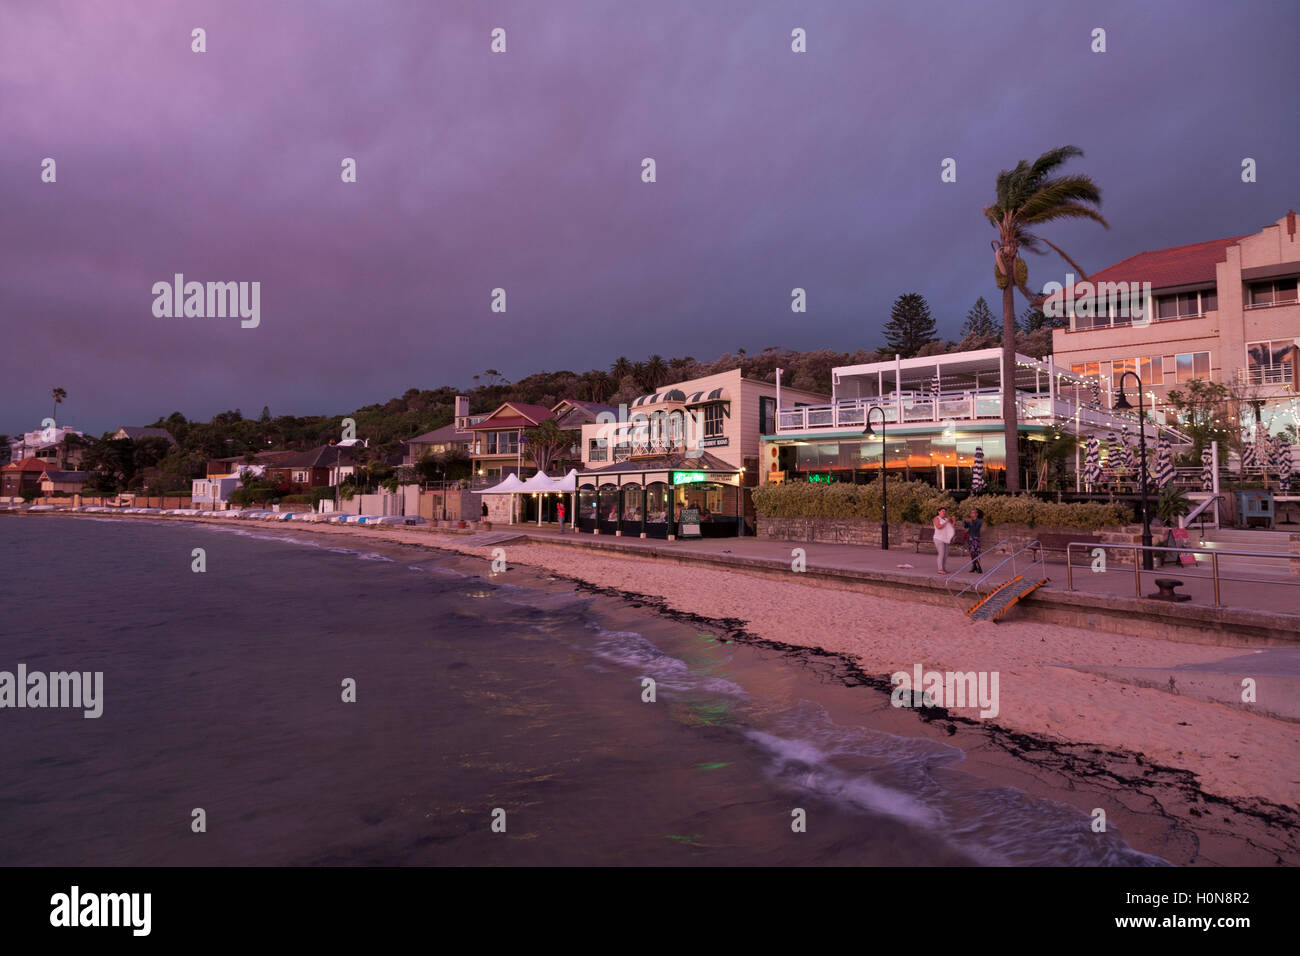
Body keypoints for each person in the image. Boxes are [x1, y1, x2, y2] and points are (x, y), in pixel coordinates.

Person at [933, 507, 956, 573]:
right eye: (943, 511)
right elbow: (939, 527)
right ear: (939, 512)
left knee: (945, 555)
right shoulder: (936, 518)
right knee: (941, 554)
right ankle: (940, 569)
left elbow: (951, 527)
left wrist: (954, 521)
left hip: (945, 539)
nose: (944, 512)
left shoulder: (946, 519)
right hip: (938, 538)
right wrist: (946, 522)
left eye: (945, 511)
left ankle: (943, 569)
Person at [963, 508, 983, 574]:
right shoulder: (971, 520)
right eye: (971, 512)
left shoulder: (979, 521)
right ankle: (974, 566)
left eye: (973, 512)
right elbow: (966, 527)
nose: (971, 514)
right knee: (972, 552)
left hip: (975, 538)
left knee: (976, 553)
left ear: (976, 514)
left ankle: (978, 567)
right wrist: (965, 522)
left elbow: (975, 528)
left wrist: (970, 522)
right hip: (970, 538)